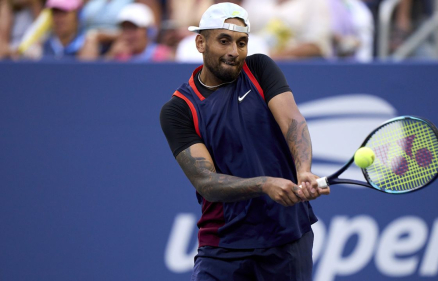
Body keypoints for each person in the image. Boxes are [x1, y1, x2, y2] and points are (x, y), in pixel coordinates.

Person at [159, 2, 329, 280]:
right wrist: (265, 184)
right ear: (200, 43)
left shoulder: (260, 69)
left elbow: (293, 121)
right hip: (223, 247)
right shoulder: (179, 110)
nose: (233, 52)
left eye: (241, 42)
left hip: (285, 237)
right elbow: (207, 182)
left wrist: (303, 170)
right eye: (224, 41)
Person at [81, 3, 172, 62]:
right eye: (125, 28)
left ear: (147, 31)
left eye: (134, 28)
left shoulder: (162, 54)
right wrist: (111, 56)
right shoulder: (118, 55)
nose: (129, 34)